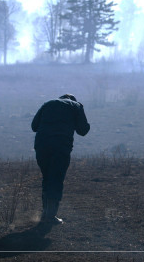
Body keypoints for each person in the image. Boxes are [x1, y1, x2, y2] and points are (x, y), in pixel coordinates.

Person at [31, 94, 90, 224]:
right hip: (60, 146)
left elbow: (34, 126)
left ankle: (45, 213)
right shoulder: (76, 106)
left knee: (47, 177)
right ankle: (50, 216)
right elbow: (83, 130)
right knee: (56, 178)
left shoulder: (48, 103)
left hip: (41, 146)